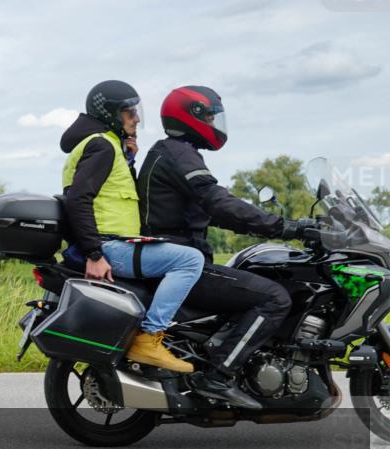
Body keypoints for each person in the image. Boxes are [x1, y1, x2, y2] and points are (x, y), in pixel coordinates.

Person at [138, 85, 315, 408]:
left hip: (174, 257)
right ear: (190, 116)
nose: (215, 122)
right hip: (182, 264)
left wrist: (266, 227)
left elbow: (211, 212)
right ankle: (218, 376)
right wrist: (285, 227)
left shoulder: (173, 152)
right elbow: (219, 202)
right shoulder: (179, 154)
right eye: (209, 115)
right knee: (275, 298)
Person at [61, 80, 205, 373]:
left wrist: (129, 159)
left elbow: (109, 195)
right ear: (111, 114)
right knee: (190, 259)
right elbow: (79, 199)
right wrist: (94, 253)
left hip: (111, 242)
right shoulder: (102, 145)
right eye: (129, 113)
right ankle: (150, 338)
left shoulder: (106, 146)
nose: (136, 118)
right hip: (109, 246)